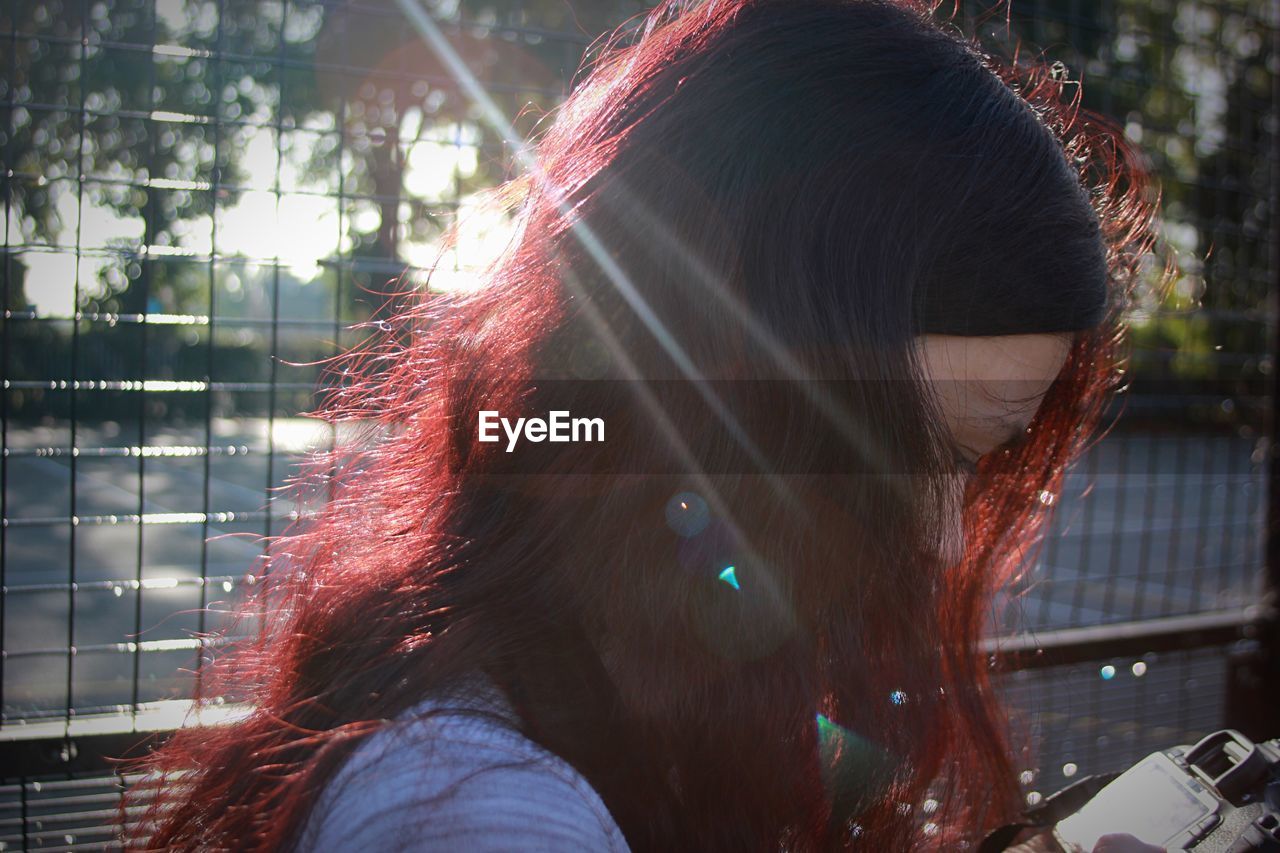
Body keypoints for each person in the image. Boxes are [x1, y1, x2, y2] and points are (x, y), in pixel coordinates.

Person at [122, 0, 1171, 850]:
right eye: (910, 451)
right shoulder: (476, 812)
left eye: (983, 468)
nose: (944, 538)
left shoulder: (667, 682)